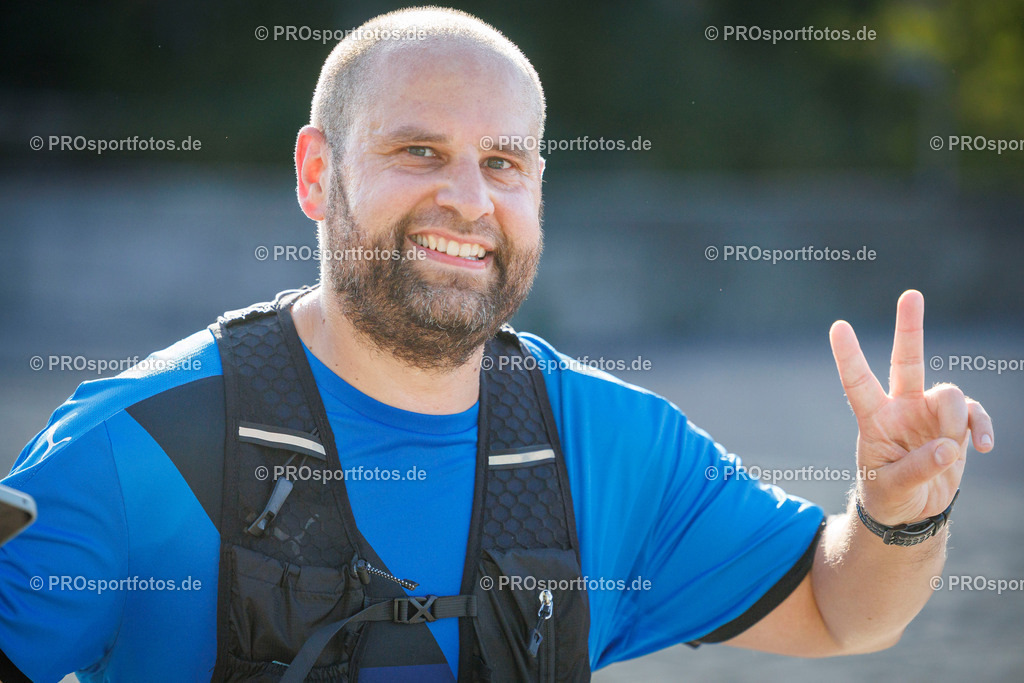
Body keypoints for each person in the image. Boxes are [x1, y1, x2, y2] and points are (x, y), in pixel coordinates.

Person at [0, 7, 994, 683]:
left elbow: (838, 607)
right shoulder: (131, 444)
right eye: (418, 150)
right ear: (315, 174)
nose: (469, 199)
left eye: (503, 162)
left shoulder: (614, 440)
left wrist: (896, 514)